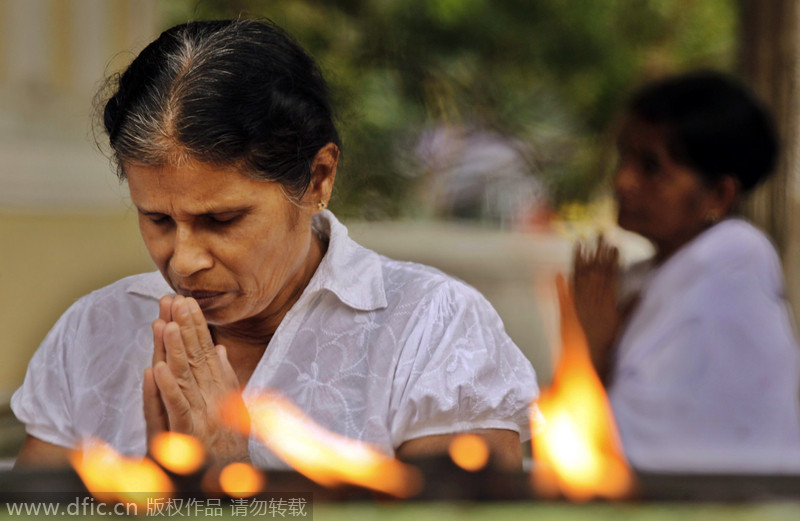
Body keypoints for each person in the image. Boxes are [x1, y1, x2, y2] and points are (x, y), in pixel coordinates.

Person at [11, 19, 538, 470]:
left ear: (317, 179)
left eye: (221, 219)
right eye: (157, 220)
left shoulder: (434, 332)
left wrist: (232, 484)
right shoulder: (94, 332)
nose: (184, 261)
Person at [572, 71, 800, 472]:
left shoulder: (731, 263)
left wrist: (591, 353)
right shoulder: (647, 275)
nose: (622, 181)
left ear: (719, 194)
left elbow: (636, 451)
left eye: (651, 167)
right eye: (624, 156)